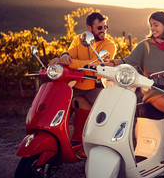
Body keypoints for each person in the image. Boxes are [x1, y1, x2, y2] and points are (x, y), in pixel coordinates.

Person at [102, 11, 164, 177]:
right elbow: (127, 61)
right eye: (151, 25)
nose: (153, 28)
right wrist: (109, 64)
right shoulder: (145, 45)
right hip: (153, 91)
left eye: (156, 25)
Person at [48, 11, 116, 158]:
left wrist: (71, 63)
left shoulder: (109, 45)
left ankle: (94, 146)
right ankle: (59, 142)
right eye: (99, 27)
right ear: (89, 28)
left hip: (96, 87)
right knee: (60, 107)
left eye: (105, 27)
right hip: (77, 85)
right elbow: (69, 54)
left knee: (100, 116)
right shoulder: (79, 39)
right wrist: (63, 56)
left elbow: (97, 64)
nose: (103, 30)